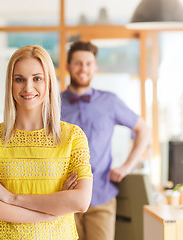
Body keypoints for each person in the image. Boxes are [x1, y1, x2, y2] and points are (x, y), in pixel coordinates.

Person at [0, 45, 93, 239]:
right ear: (10, 84)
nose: (28, 87)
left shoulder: (73, 137)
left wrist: (10, 198)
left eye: (37, 78)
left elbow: (80, 201)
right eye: (19, 79)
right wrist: (51, 212)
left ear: (49, 83)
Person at [61, 41, 150, 240]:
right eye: (78, 63)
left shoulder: (110, 102)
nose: (83, 68)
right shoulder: (52, 104)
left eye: (88, 63)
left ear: (95, 68)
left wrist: (127, 166)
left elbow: (143, 129)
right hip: (63, 198)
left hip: (101, 197)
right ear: (67, 66)